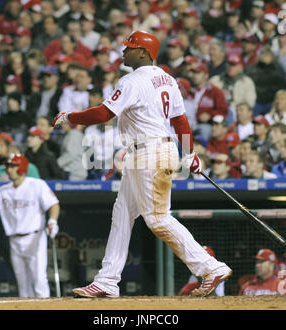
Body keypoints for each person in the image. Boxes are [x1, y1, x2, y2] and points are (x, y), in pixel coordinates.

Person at [52, 30, 232, 298]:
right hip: (150, 151)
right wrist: (189, 153)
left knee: (158, 219)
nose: (124, 52)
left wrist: (70, 116)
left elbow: (103, 113)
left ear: (143, 53)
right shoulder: (168, 79)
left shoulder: (132, 80)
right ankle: (107, 281)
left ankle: (210, 267)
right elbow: (180, 121)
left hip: (152, 153)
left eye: (129, 48)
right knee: (122, 213)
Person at [0, 153, 60, 297]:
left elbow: (53, 204)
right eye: (8, 166)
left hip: (35, 237)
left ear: (22, 167)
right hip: (14, 240)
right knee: (23, 284)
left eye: (13, 166)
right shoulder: (3, 191)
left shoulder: (36, 185)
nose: (9, 169)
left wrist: (53, 220)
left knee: (39, 280)